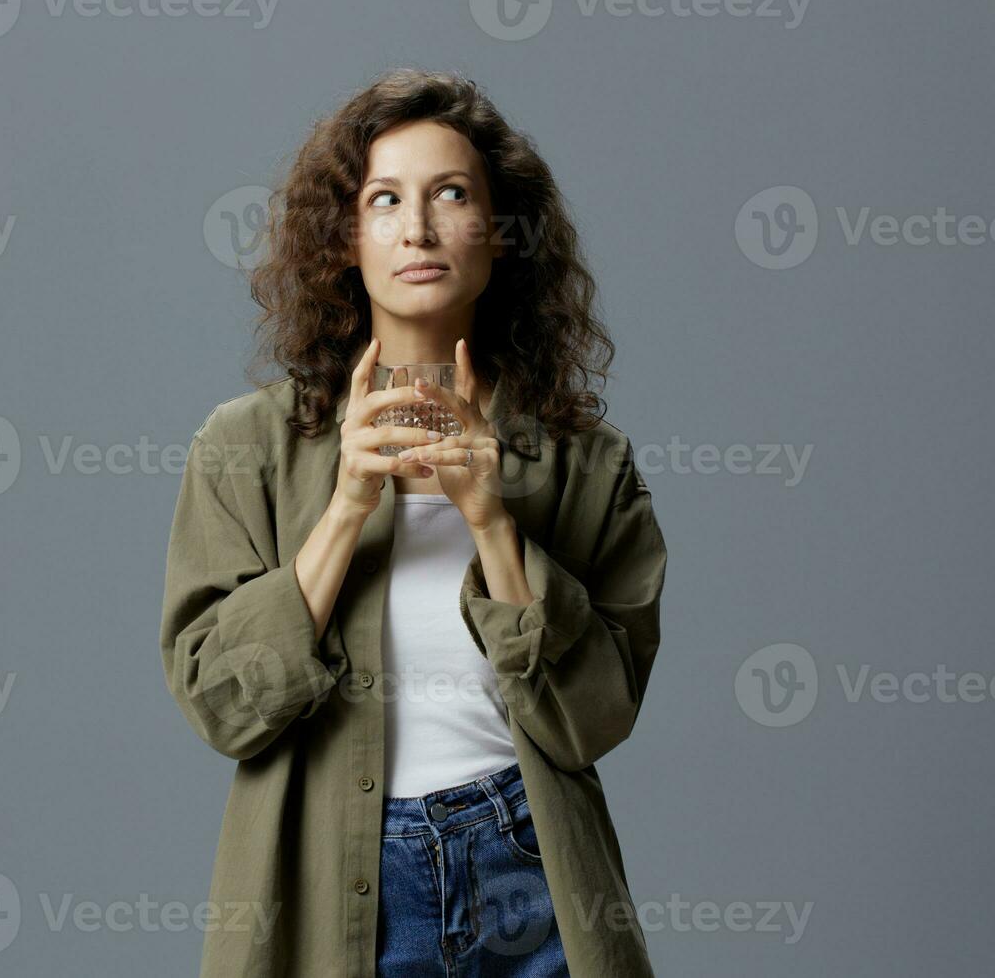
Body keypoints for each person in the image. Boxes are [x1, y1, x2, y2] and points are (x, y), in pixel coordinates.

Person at [160, 67, 668, 977]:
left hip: (532, 874)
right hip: (336, 886)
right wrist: (348, 504)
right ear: (344, 239)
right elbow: (221, 703)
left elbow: (593, 719)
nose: (419, 228)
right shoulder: (247, 447)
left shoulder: (586, 461)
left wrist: (492, 521)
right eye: (384, 199)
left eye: (451, 194)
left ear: (501, 234)